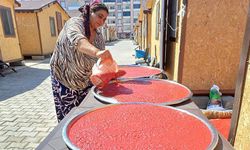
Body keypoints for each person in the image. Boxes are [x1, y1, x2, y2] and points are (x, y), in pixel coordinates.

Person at [50, 0, 111, 122]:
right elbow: (78, 40)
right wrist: (97, 52)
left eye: (104, 20)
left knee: (84, 114)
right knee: (69, 118)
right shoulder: (74, 23)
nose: (102, 21)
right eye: (100, 16)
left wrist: (108, 73)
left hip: (84, 81)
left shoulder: (98, 36)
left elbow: (99, 63)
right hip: (65, 77)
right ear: (90, 12)